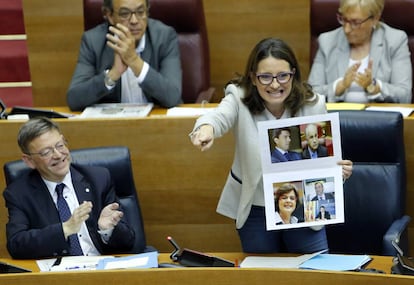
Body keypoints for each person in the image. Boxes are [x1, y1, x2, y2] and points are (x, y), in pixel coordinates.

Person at [189, 37, 353, 253]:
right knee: (263, 274)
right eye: (265, 77)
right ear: (253, 78)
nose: (275, 84)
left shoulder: (313, 104)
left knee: (315, 273)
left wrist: (338, 171)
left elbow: (321, 159)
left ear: (293, 75)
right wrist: (206, 129)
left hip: (304, 207)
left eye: (283, 76)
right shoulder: (239, 97)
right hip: (256, 207)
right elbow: (218, 117)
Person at [3, 117, 135, 259]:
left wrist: (107, 230)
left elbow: (129, 242)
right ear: (29, 161)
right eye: (46, 152)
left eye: (60, 145)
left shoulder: (98, 179)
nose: (58, 155)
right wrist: (65, 229)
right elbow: (16, 245)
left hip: (102, 270)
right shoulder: (19, 194)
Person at [66, 0, 182, 111]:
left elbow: (172, 97)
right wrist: (113, 74)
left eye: (140, 12)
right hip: (112, 127)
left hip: (158, 123)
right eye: (125, 14)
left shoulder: (165, 37)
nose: (134, 20)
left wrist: (134, 61)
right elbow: (74, 99)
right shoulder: (93, 41)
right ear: (109, 16)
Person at [308, 0, 412, 103]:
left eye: (355, 23)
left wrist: (374, 87)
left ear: (375, 19)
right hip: (338, 116)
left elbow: (404, 96)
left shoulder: (395, 41)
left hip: (380, 117)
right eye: (344, 20)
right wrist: (340, 86)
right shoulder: (327, 42)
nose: (347, 29)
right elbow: (310, 94)